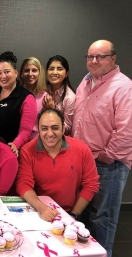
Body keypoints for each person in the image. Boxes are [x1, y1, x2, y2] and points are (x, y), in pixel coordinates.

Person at [72, 40, 132, 257]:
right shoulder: (86, 81)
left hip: (108, 165)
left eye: (100, 56)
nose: (94, 61)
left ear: (113, 59)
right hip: (84, 162)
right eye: (90, 56)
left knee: (102, 217)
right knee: (86, 216)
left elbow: (126, 131)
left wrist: (106, 157)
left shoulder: (124, 86)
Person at [16, 108, 99, 222]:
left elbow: (91, 184)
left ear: (63, 128)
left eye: (55, 128)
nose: (50, 133)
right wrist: (41, 208)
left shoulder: (82, 149)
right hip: (39, 209)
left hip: (72, 211)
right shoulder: (27, 150)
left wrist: (74, 215)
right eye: (44, 128)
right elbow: (23, 184)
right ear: (38, 130)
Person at [0, 51, 37, 156]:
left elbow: (25, 130)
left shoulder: (26, 97)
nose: (3, 76)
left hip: (8, 151)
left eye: (7, 71)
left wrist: (14, 145)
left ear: (16, 73)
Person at [42, 55, 75, 135]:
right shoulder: (41, 90)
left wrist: (53, 111)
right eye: (51, 69)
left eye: (60, 69)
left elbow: (68, 130)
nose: (54, 72)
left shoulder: (70, 97)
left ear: (66, 73)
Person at [19, 56, 47, 139]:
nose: (30, 74)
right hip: (17, 138)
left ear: (39, 73)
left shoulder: (45, 97)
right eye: (27, 70)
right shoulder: (16, 94)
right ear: (21, 74)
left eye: (34, 70)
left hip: (36, 140)